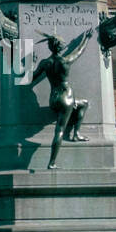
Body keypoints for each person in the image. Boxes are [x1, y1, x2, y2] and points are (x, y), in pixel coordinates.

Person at [29, 29, 94, 168]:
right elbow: (79, 51)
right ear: (60, 46)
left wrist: (32, 62)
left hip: (54, 99)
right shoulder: (65, 61)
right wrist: (86, 38)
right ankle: (52, 162)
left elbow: (32, 78)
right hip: (66, 96)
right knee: (59, 131)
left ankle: (76, 134)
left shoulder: (45, 63)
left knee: (83, 103)